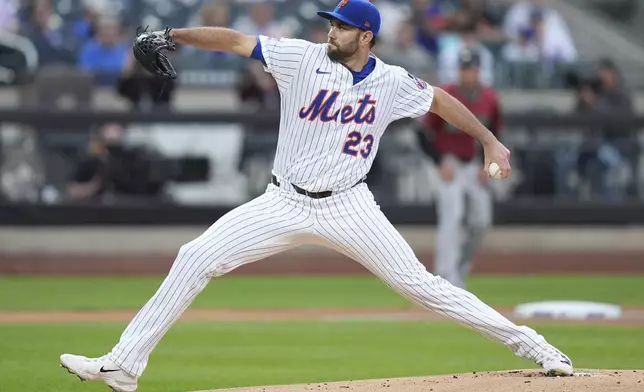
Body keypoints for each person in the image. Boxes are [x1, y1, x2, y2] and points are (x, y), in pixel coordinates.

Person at [59, 1, 573, 391]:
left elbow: (440, 100)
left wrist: (489, 139)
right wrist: (173, 34)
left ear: (366, 35)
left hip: (348, 204)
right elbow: (237, 42)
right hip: (282, 201)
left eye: (342, 26)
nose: (332, 30)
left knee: (423, 286)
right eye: (331, 22)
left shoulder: (391, 81)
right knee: (195, 256)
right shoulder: (301, 57)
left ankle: (535, 345)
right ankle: (124, 365)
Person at [421, 48, 500, 289]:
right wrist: (439, 161)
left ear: (478, 70)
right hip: (449, 163)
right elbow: (422, 134)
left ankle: (460, 267)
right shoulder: (447, 95)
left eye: (471, 69)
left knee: (482, 221)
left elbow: (494, 135)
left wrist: (489, 163)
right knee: (452, 217)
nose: (467, 73)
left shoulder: (490, 99)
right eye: (464, 69)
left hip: (474, 164)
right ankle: (445, 277)